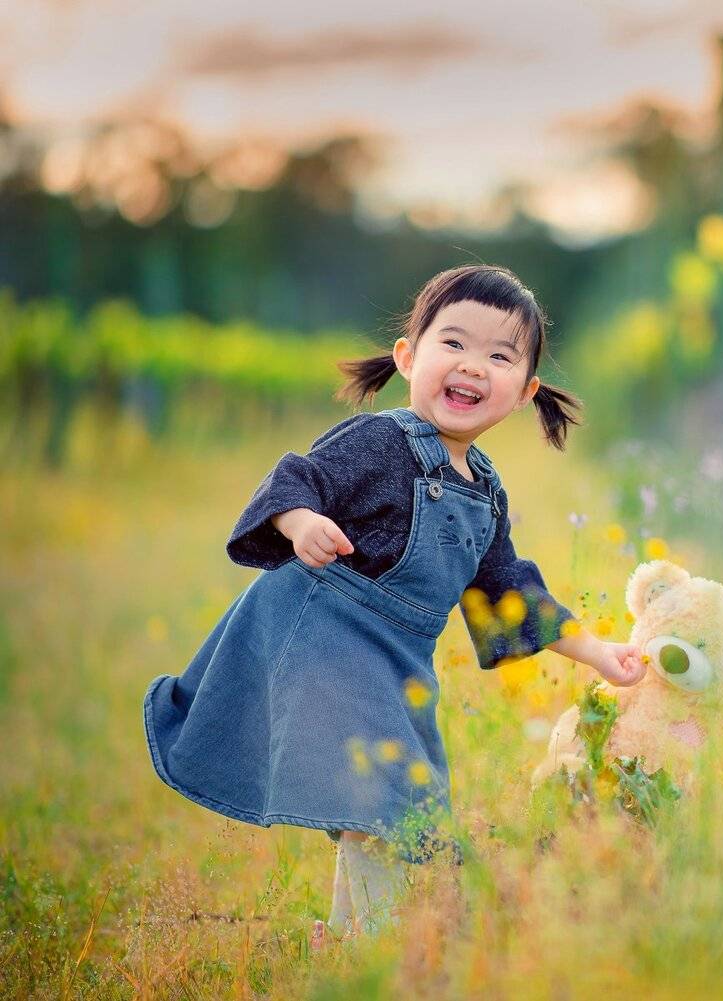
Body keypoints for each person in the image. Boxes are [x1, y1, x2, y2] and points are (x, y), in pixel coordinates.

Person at [142, 264, 646, 948]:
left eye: (500, 356)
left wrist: (597, 651)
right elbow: (299, 477)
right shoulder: (380, 441)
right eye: (455, 344)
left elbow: (507, 590)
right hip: (325, 633)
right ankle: (379, 948)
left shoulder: (486, 491)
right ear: (410, 356)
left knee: (404, 811)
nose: (473, 366)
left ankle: (347, 939)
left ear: (525, 390)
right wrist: (297, 522)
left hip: (397, 663)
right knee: (381, 803)